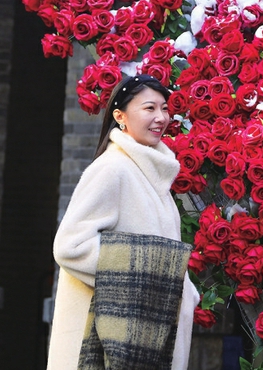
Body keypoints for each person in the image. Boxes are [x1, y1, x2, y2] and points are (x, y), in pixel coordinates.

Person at [47, 74, 199, 369]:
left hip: (144, 337)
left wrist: (183, 292)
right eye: (149, 108)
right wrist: (155, 279)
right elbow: (69, 246)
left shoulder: (151, 175)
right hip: (105, 343)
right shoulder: (113, 168)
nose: (161, 117)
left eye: (165, 108)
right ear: (120, 116)